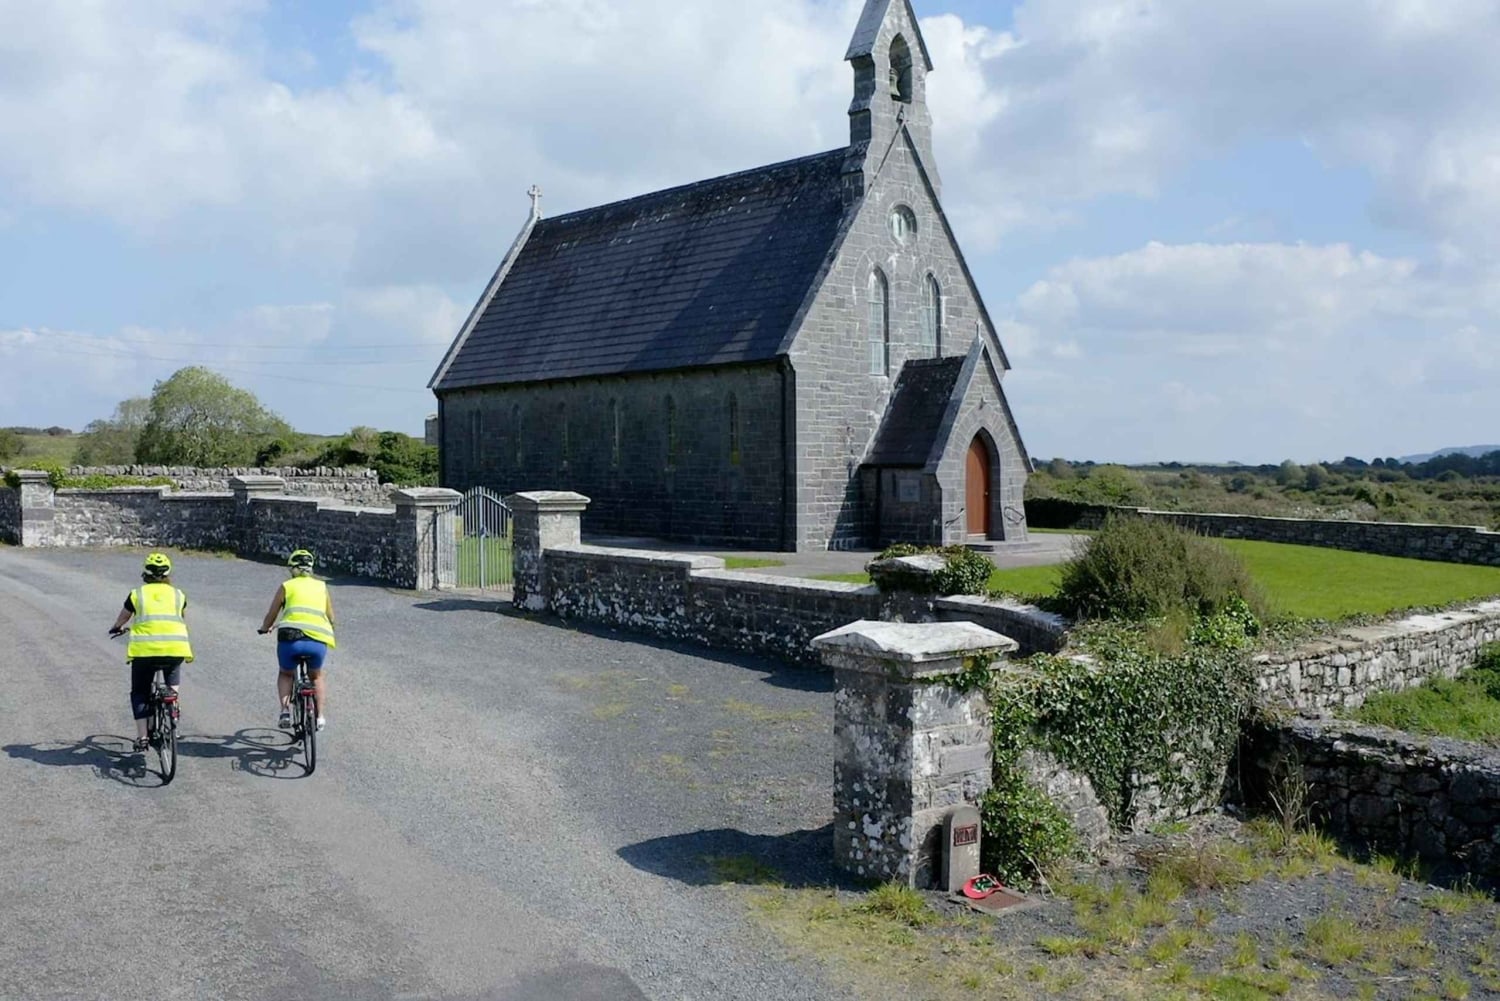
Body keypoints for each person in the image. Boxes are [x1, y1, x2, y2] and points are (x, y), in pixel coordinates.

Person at [109, 552, 193, 753]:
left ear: (145, 573)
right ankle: (173, 708)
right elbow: (180, 616)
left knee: (139, 691)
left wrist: (116, 627)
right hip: (175, 648)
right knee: (172, 684)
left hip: (145, 651)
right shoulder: (178, 595)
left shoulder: (137, 594)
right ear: (168, 573)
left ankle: (143, 737)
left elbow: (124, 617)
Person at [257, 549, 335, 731]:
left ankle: (285, 711)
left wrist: (264, 628)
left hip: (290, 638)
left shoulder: (287, 586)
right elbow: (331, 617)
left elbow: (272, 614)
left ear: (292, 569)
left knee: (286, 673)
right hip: (317, 638)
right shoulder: (322, 587)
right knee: (317, 676)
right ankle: (320, 717)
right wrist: (331, 629)